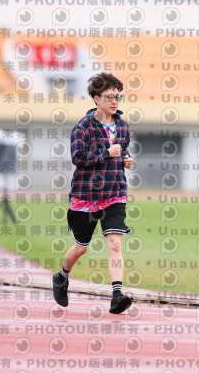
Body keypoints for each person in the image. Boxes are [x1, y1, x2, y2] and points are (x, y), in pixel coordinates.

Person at [52, 72, 135, 314]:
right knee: (81, 247)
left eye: (117, 97)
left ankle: (117, 295)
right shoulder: (83, 127)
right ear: (96, 99)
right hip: (86, 196)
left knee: (115, 243)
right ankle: (62, 276)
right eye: (109, 97)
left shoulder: (122, 126)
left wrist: (126, 160)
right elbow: (78, 158)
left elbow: (122, 151)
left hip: (115, 193)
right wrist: (106, 154)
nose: (115, 101)